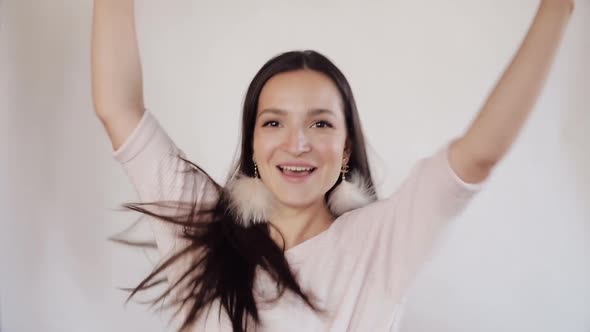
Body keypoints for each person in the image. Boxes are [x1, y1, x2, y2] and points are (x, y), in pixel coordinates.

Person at [90, 0, 575, 331]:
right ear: (253, 146)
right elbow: (120, 109)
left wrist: (559, 7)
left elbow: (477, 155)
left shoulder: (379, 242)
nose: (297, 143)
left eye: (320, 125)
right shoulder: (205, 225)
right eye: (274, 123)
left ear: (345, 150)